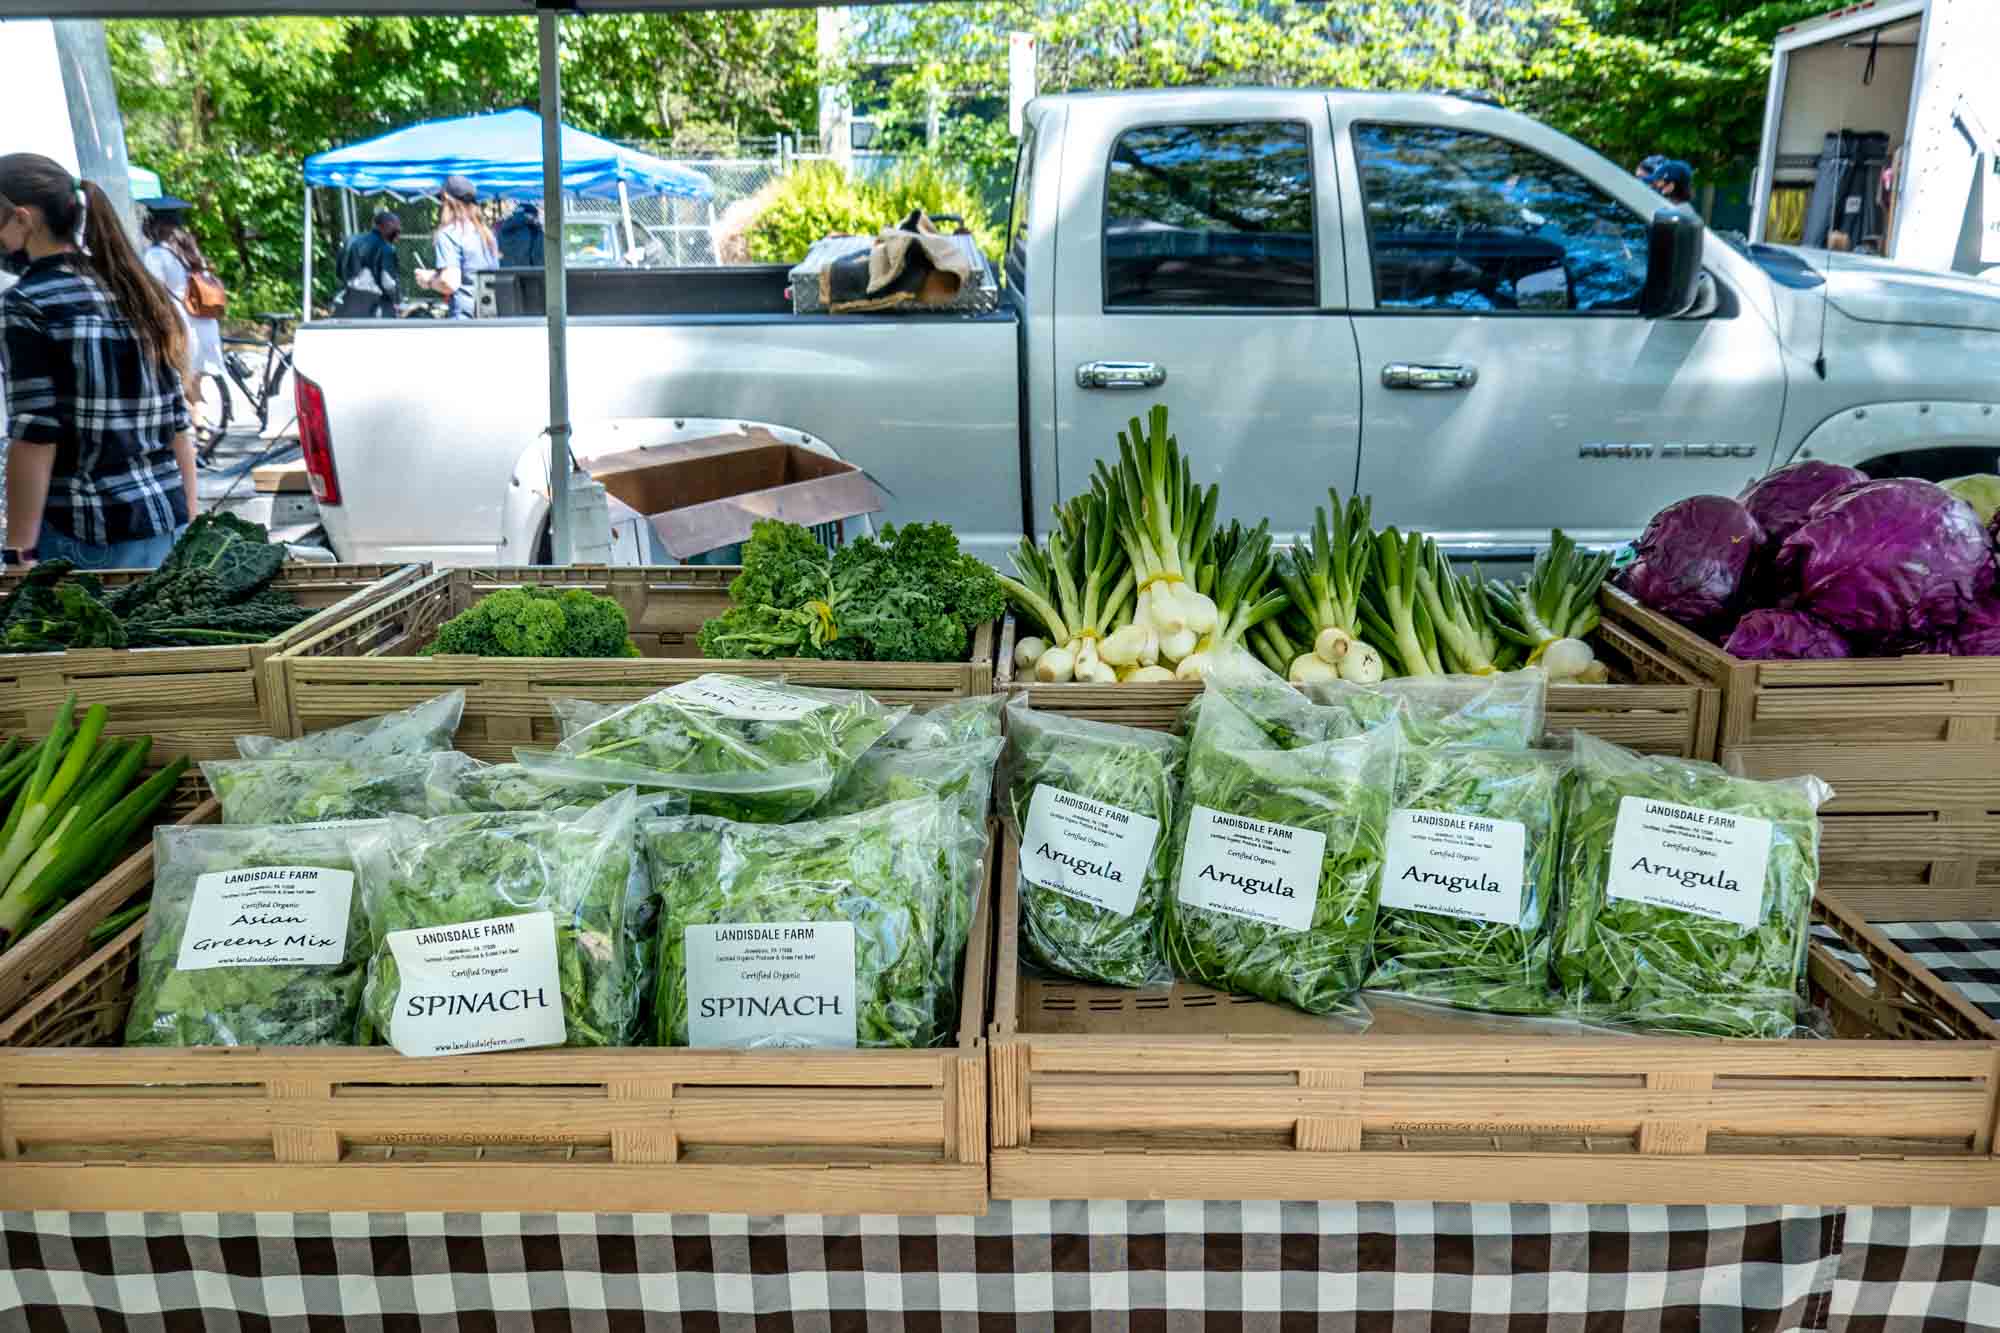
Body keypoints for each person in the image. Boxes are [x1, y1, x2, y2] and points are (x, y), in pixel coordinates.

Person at [0, 153, 196, 569]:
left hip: (86, 536)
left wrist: (19, 552)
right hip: (167, 527)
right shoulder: (136, 288)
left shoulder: (28, 303)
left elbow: (36, 436)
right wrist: (191, 527)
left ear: (22, 218)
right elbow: (179, 425)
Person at [139, 197, 225, 429]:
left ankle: (200, 432)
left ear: (153, 225)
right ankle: (203, 434)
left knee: (182, 384)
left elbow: (153, 293)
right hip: (204, 322)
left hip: (182, 323)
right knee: (193, 385)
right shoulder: (190, 250)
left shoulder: (155, 255)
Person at [416, 174, 496, 319]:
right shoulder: (487, 234)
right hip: (490, 315)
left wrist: (429, 281)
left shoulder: (449, 234)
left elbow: (450, 282)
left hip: (463, 321)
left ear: (446, 200)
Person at [335, 208, 402, 318]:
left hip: (346, 301)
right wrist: (398, 300)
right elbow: (388, 283)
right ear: (385, 226)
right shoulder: (386, 248)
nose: (398, 232)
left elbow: (338, 271)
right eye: (396, 228)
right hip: (374, 307)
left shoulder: (350, 240)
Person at [496, 201, 544, 269]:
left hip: (505, 274)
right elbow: (538, 257)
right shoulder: (534, 230)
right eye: (536, 216)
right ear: (530, 215)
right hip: (528, 274)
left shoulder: (502, 229)